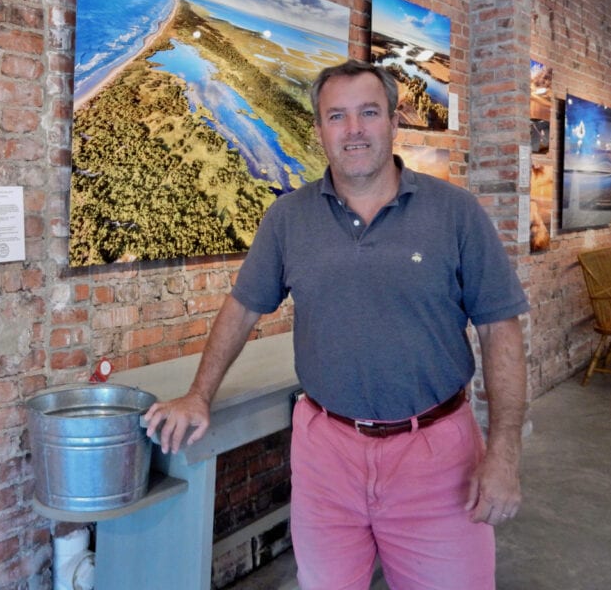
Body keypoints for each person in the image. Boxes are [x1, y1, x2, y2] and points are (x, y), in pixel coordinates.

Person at [144, 59, 529, 590]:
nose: (353, 130)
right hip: (326, 452)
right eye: (337, 116)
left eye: (368, 113)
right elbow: (243, 307)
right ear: (320, 130)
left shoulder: (455, 213)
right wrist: (198, 394)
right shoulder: (288, 218)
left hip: (436, 455)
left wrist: (504, 451)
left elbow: (498, 329)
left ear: (395, 122)